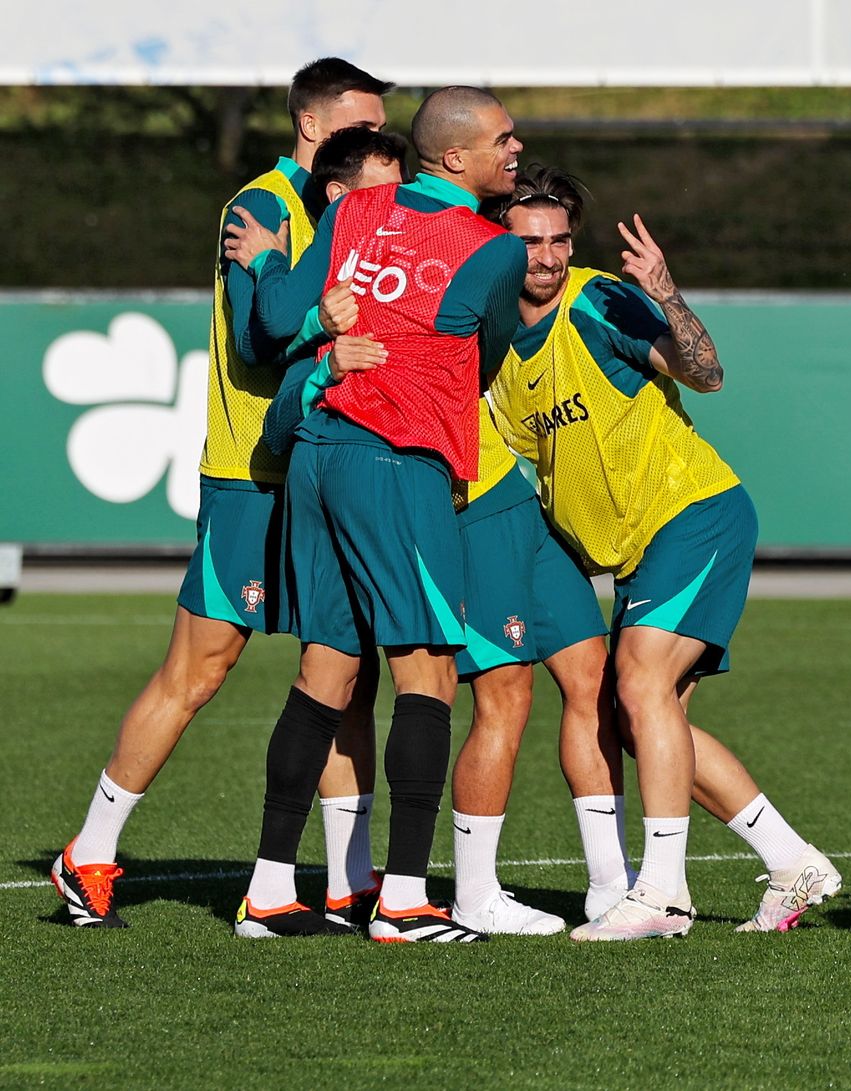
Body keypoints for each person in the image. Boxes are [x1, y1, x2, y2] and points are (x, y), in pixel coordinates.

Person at [49, 58, 392, 931]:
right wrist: (320, 317)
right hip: (252, 474)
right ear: (313, 127)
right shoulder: (263, 207)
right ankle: (88, 854)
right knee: (199, 668)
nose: (378, 143)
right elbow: (252, 336)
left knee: (345, 673)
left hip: (325, 464)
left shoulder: (346, 209)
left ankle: (350, 878)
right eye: (362, 126)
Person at [481, 168, 843, 940]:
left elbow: (705, 375)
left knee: (638, 681)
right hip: (633, 548)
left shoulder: (595, 301)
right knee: (650, 717)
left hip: (694, 512)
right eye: (529, 242)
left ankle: (664, 894)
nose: (545, 257)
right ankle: (792, 860)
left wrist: (667, 292)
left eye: (559, 240)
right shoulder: (496, 342)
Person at [227, 85, 526, 942]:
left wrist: (270, 267)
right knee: (428, 672)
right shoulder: (492, 247)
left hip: (317, 449)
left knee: (326, 669)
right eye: (503, 141)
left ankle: (271, 892)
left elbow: (282, 318)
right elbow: (486, 353)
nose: (515, 151)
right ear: (455, 157)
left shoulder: (357, 209)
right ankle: (402, 900)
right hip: (396, 461)